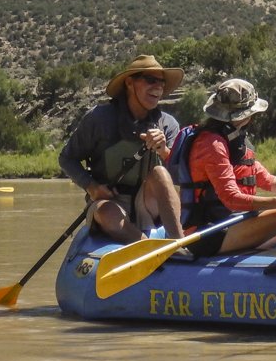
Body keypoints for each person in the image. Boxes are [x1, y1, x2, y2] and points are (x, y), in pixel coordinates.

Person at [58, 55, 187, 243]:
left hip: (150, 203)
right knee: (107, 211)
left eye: (162, 82)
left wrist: (164, 151)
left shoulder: (168, 124)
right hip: (110, 202)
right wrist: (92, 187)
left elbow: (181, 175)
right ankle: (147, 247)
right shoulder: (98, 119)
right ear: (129, 83)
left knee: (160, 172)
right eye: (150, 80)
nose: (158, 87)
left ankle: (179, 243)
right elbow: (67, 158)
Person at [175, 77, 276, 256]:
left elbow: (266, 180)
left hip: (232, 223)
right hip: (207, 233)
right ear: (245, 115)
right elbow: (231, 198)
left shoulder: (234, 140)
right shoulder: (212, 144)